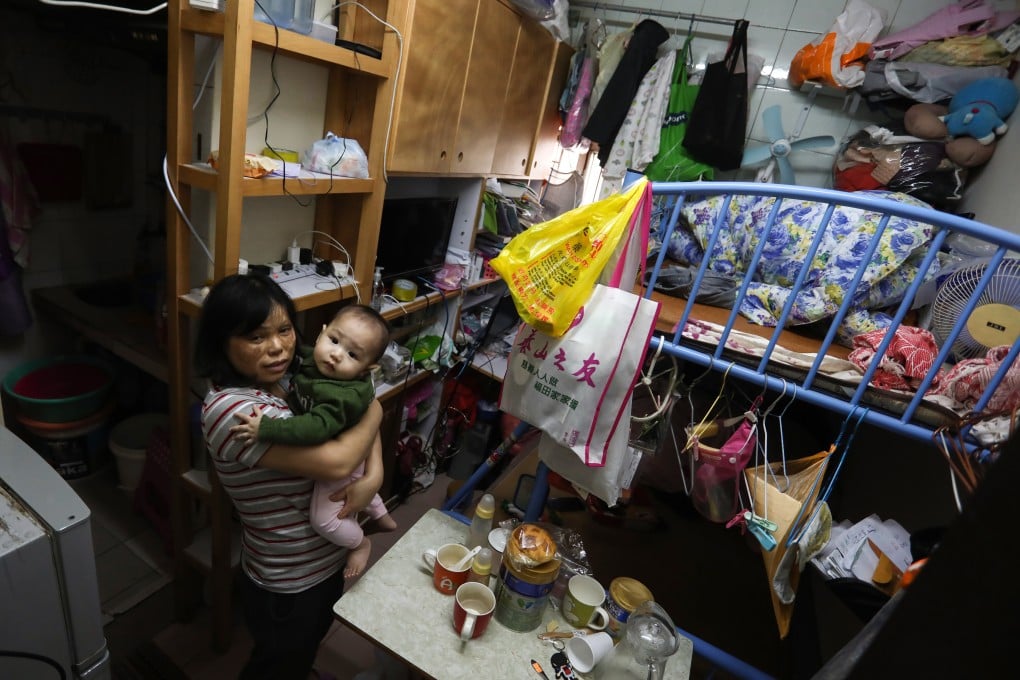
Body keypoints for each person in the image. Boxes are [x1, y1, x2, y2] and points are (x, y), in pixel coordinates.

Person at [194, 273, 385, 680]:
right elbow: (338, 458)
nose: (278, 346)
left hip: (323, 561)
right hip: (289, 578)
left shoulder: (286, 375)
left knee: (298, 655)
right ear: (221, 341)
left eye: (284, 330)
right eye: (256, 337)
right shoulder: (232, 412)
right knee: (275, 666)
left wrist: (376, 473)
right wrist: (376, 409)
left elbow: (350, 413)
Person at [231, 304, 398, 578]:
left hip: (346, 457)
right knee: (361, 484)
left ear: (367, 368)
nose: (335, 354)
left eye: (352, 354)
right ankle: (378, 511)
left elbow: (316, 429)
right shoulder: (314, 361)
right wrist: (374, 475)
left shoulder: (340, 394)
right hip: (357, 451)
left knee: (323, 519)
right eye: (333, 340)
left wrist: (268, 428)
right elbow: (373, 413)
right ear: (321, 333)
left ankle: (360, 542)